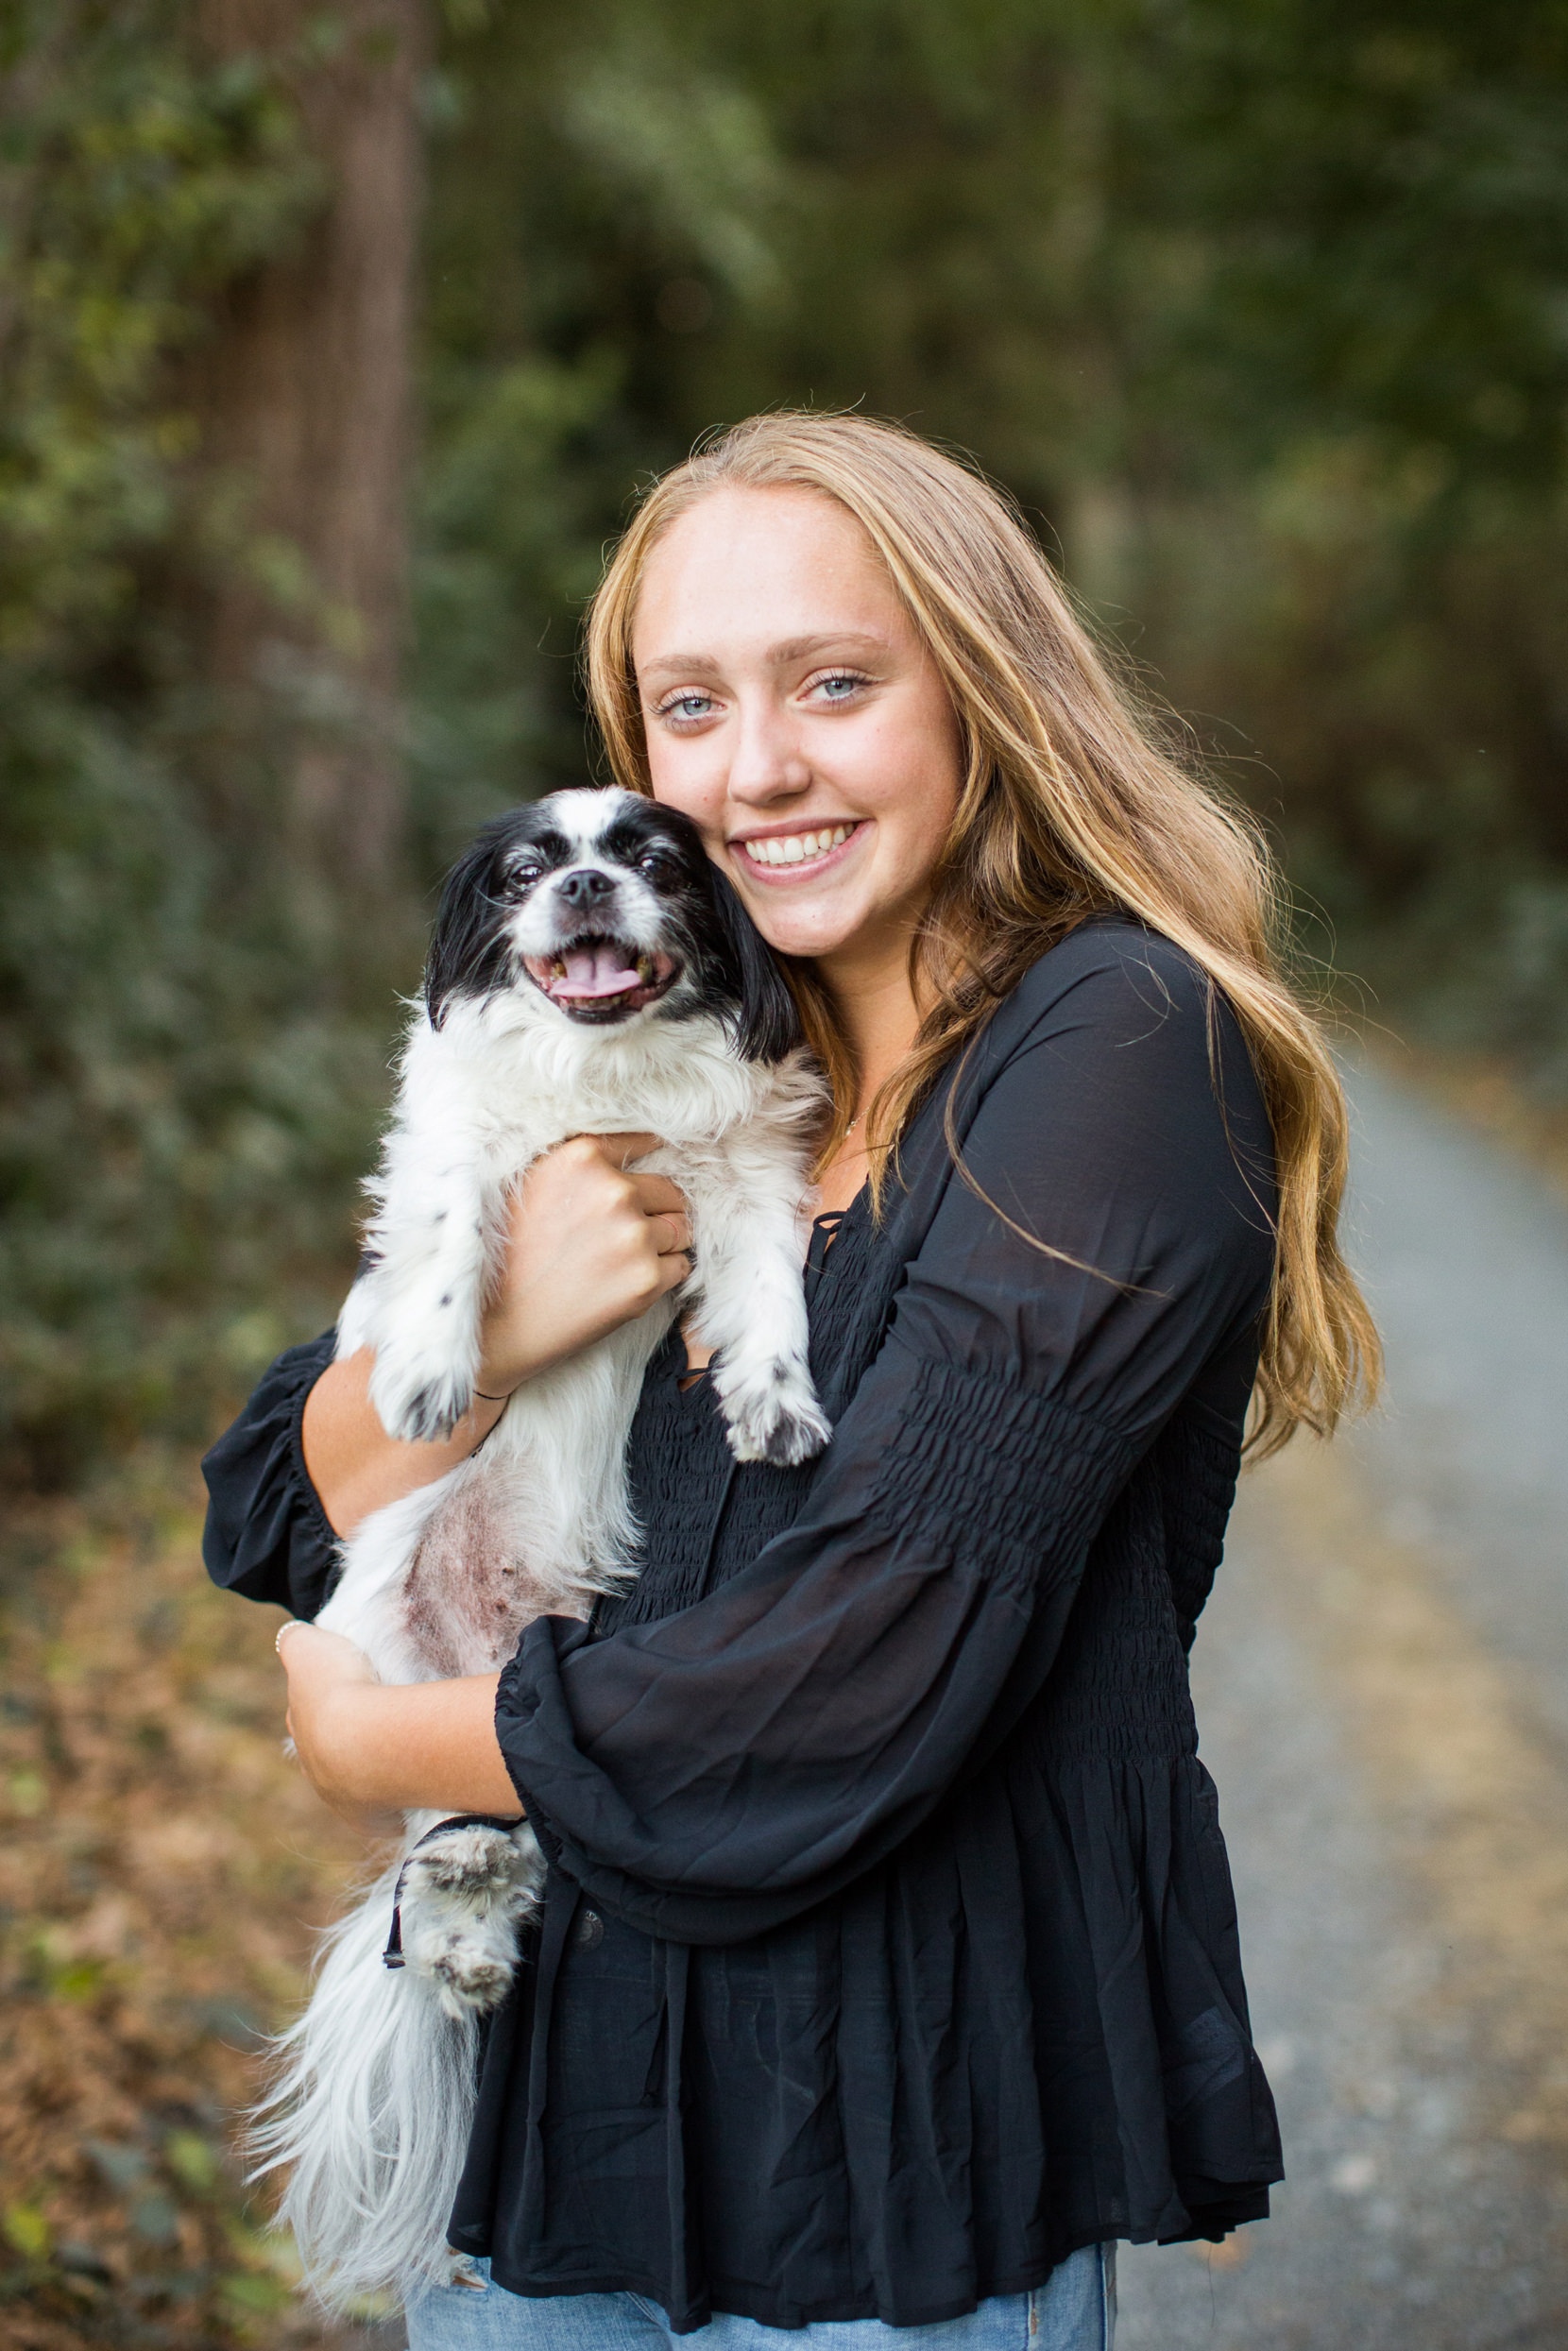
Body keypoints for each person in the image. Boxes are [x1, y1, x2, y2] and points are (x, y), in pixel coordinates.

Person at [202, 412, 1379, 2348]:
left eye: (832, 683)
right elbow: (270, 1492)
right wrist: (491, 1339)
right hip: (548, 2136)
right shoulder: (676, 1046)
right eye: (688, 708)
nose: (755, 769)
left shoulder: (1106, 1044)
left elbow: (868, 1660)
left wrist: (377, 1749)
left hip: (883, 2155)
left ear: (978, 697)